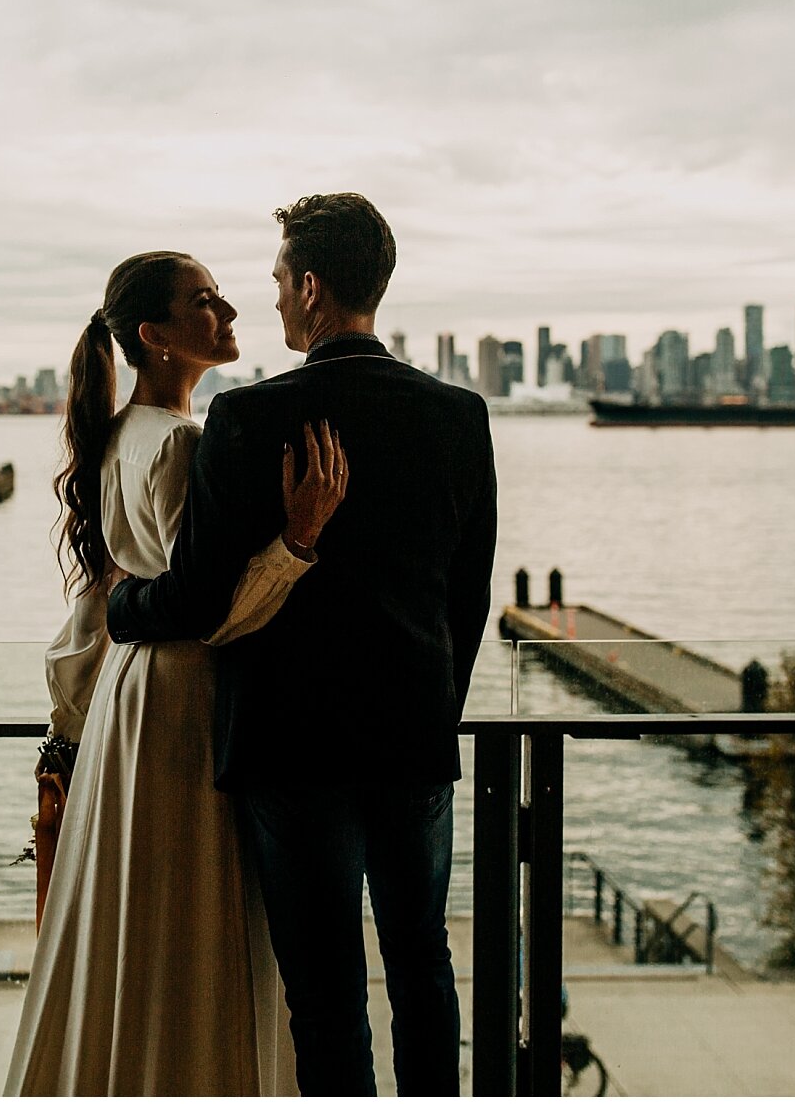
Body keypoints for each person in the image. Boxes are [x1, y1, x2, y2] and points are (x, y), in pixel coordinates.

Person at [108, 194, 497, 1096]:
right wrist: (438, 710)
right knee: (423, 969)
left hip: (293, 748)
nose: (274, 298)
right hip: (413, 742)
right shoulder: (459, 416)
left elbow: (199, 599)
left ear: (313, 288)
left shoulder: (247, 422)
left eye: (280, 280)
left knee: (323, 998)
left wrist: (122, 609)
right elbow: (467, 599)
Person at [6, 252, 350, 1097]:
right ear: (155, 337)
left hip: (129, 695)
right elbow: (213, 611)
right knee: (197, 919)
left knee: (132, 914)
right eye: (204, 303)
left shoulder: (114, 435)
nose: (229, 310)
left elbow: (107, 603)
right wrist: (297, 544)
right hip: (187, 700)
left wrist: (71, 718)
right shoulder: (184, 444)